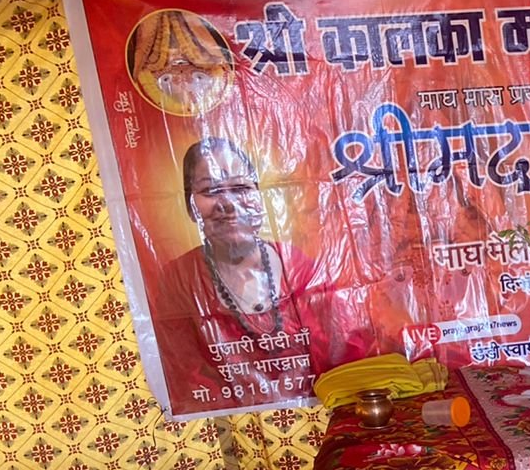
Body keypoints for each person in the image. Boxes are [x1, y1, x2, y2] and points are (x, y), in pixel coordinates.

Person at [149, 137, 376, 414]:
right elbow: (186, 375)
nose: (228, 204)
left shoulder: (301, 268)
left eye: (241, 188)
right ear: (189, 206)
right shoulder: (179, 279)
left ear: (260, 197)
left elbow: (346, 355)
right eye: (210, 190)